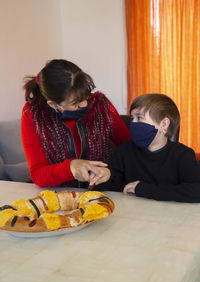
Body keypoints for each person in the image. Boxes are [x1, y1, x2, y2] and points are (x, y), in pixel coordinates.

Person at [21, 59, 131, 188]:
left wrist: (111, 172)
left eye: (86, 97)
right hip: (61, 194)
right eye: (76, 104)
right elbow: (38, 175)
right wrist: (70, 167)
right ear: (53, 104)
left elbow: (129, 147)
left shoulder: (101, 105)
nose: (85, 105)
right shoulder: (34, 114)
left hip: (104, 189)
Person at [92, 93, 200, 203]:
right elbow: (113, 184)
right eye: (132, 118)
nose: (133, 123)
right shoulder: (126, 149)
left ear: (163, 124)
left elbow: (196, 191)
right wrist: (104, 176)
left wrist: (145, 189)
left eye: (139, 118)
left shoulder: (182, 155)